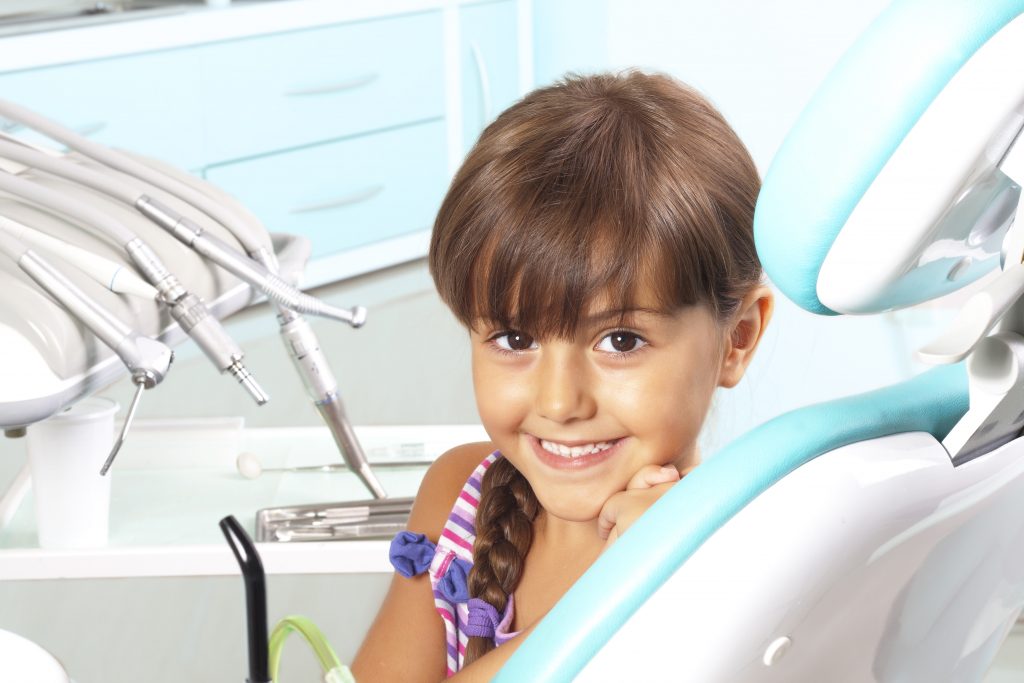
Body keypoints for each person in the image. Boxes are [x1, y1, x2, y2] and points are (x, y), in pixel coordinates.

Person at [351, 69, 774, 681]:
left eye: (620, 340)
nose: (559, 401)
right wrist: (616, 594)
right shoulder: (457, 497)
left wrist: (659, 581)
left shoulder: (734, 569)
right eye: (514, 338)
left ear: (737, 339)